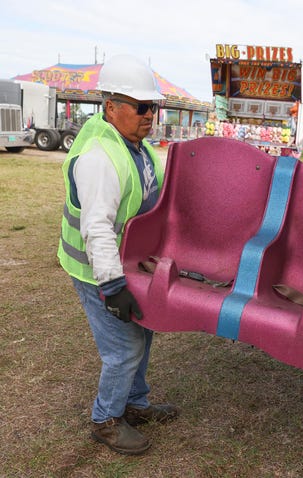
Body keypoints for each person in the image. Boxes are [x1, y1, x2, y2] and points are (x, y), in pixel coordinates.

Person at [57, 54, 179, 455]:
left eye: (153, 107)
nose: (150, 116)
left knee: (144, 331)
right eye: (142, 107)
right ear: (111, 107)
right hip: (96, 268)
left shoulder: (135, 145)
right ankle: (106, 420)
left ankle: (134, 404)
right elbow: (96, 228)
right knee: (124, 348)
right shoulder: (99, 158)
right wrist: (112, 286)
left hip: (127, 262)